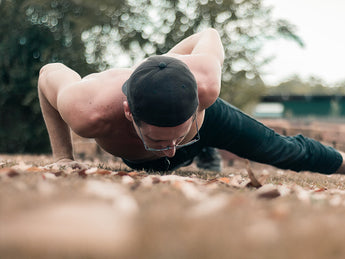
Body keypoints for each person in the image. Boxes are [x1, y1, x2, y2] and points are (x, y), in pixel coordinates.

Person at [38, 28, 345, 174]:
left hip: (207, 124)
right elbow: (47, 74)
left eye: (178, 137)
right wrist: (64, 156)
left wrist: (170, 71)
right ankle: (182, 141)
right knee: (166, 161)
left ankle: (201, 139)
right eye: (160, 140)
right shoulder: (87, 109)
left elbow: (208, 33)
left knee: (285, 151)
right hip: (143, 157)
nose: (173, 147)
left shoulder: (205, 82)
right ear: (129, 112)